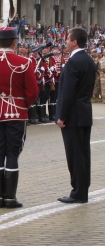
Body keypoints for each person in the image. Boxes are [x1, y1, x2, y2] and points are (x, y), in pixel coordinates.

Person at [0, 27, 39, 208]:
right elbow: (32, 92)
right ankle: (10, 198)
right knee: (13, 153)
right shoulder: (24, 61)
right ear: (15, 41)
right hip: (16, 110)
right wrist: (23, 104)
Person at [56, 27, 96, 204]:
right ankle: (82, 189)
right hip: (85, 113)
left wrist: (61, 116)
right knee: (83, 154)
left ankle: (78, 192)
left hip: (73, 116)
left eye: (68, 39)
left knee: (75, 155)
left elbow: (68, 93)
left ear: (74, 42)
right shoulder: (88, 60)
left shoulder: (73, 62)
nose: (65, 42)